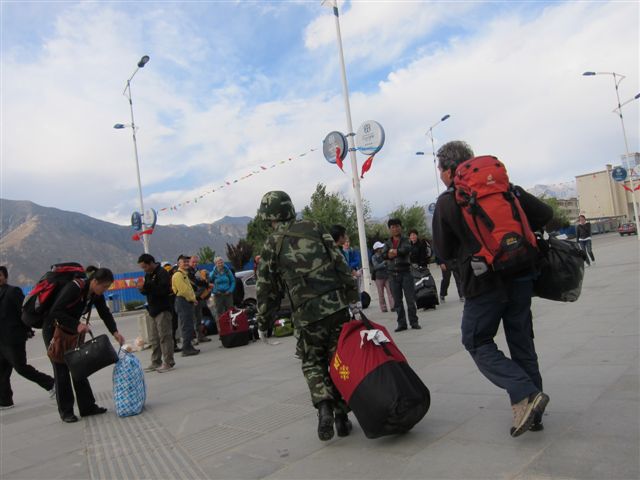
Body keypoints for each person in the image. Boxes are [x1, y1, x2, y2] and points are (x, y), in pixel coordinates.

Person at [432, 140, 552, 437]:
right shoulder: (505, 189)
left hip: (483, 284)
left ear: (449, 170)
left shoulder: (449, 201)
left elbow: (443, 250)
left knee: (476, 340)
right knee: (522, 343)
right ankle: (532, 413)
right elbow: (545, 214)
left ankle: (523, 391)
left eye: (440, 169)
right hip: (522, 275)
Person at [256, 191, 359, 441]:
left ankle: (324, 406)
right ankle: (342, 417)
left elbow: (265, 288)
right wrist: (352, 297)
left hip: (306, 315)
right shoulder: (314, 226)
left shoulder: (272, 243)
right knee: (338, 360)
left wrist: (263, 322)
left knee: (313, 362)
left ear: (270, 216)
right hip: (335, 307)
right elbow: (339, 261)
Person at [44, 267, 125, 423]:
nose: (105, 290)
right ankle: (66, 412)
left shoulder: (95, 294)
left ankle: (87, 407)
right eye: (104, 286)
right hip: (54, 331)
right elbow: (55, 311)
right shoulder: (74, 288)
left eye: (108, 287)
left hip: (71, 331)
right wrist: (77, 325)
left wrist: (115, 332)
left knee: (79, 367)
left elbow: (105, 313)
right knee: (62, 370)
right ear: (94, 281)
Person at [0, 266, 55, 409]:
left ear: (5, 276)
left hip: (13, 338)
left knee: (21, 368)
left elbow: (24, 312)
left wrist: (27, 329)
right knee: (2, 371)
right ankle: (5, 401)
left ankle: (52, 384)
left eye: (0, 275)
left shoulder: (13, 291)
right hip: (1, 339)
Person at [138, 254, 175, 373]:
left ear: (150, 263)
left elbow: (163, 290)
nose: (144, 269)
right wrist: (142, 289)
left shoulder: (162, 273)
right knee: (154, 338)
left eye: (145, 267)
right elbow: (148, 291)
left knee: (165, 336)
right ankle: (156, 361)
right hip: (152, 310)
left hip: (163, 309)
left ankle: (168, 362)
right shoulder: (148, 275)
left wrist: (147, 286)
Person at [384, 218, 421, 331]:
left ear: (400, 227)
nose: (395, 229)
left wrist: (395, 252)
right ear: (390, 229)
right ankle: (401, 323)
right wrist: (391, 253)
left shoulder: (405, 239)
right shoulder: (387, 242)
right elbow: (384, 255)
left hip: (405, 272)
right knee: (397, 301)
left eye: (397, 226)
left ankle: (414, 322)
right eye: (392, 227)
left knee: (410, 299)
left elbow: (406, 249)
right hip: (392, 274)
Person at [171, 255, 200, 357]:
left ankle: (189, 346)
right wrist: (193, 299)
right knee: (186, 326)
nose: (187, 264)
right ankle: (186, 349)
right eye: (184, 262)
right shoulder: (178, 275)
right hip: (182, 301)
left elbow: (189, 289)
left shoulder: (184, 274)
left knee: (189, 325)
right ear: (179, 264)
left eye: (187, 262)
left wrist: (193, 299)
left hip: (187, 301)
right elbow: (183, 291)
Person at [187, 256, 212, 344]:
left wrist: (204, 282)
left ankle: (200, 336)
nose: (195, 264)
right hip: (192, 298)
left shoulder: (197, 270)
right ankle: (190, 339)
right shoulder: (188, 271)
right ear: (189, 262)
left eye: (196, 262)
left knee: (199, 317)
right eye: (193, 262)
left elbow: (204, 281)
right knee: (191, 319)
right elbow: (196, 282)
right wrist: (204, 282)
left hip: (199, 297)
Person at [371, 241, 394, 313]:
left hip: (387, 276)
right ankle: (383, 308)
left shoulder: (384, 255)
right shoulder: (373, 257)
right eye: (380, 247)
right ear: (377, 249)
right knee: (381, 294)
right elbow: (376, 266)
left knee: (390, 292)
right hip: (378, 277)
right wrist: (384, 263)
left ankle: (393, 306)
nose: (382, 248)